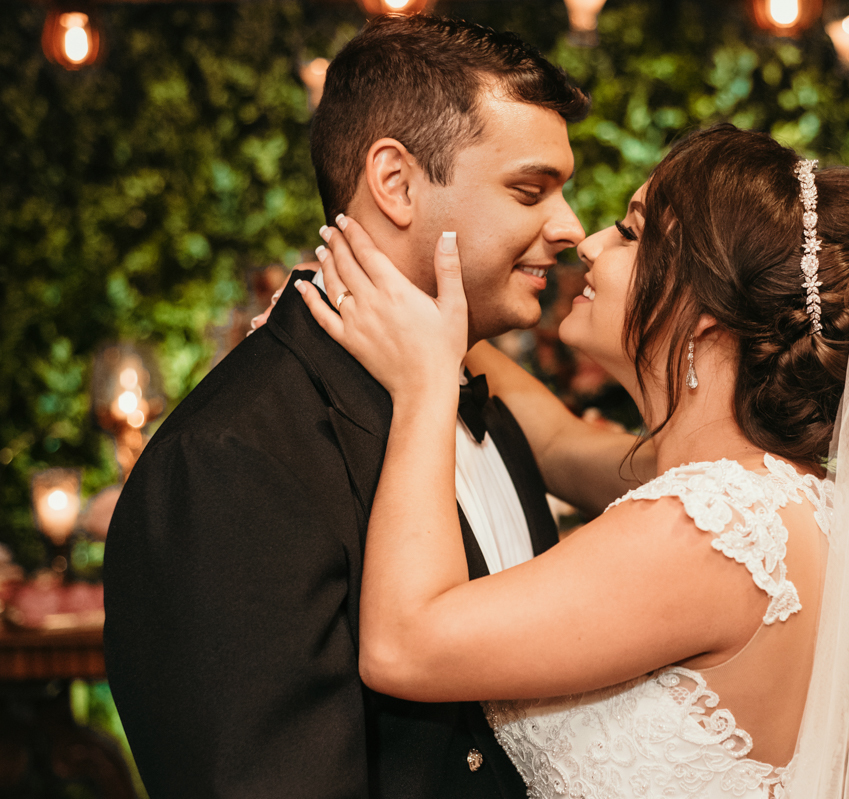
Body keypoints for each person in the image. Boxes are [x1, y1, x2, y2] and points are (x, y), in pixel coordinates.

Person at [294, 123, 849, 798]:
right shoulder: (782, 496)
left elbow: (404, 645)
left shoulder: (705, 530)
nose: (587, 242)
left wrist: (423, 385)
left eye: (630, 232)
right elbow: (555, 442)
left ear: (704, 308)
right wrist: (417, 310)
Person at [102, 15, 637, 798]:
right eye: (531, 188)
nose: (568, 228)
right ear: (396, 183)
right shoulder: (231, 461)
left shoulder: (486, 399)